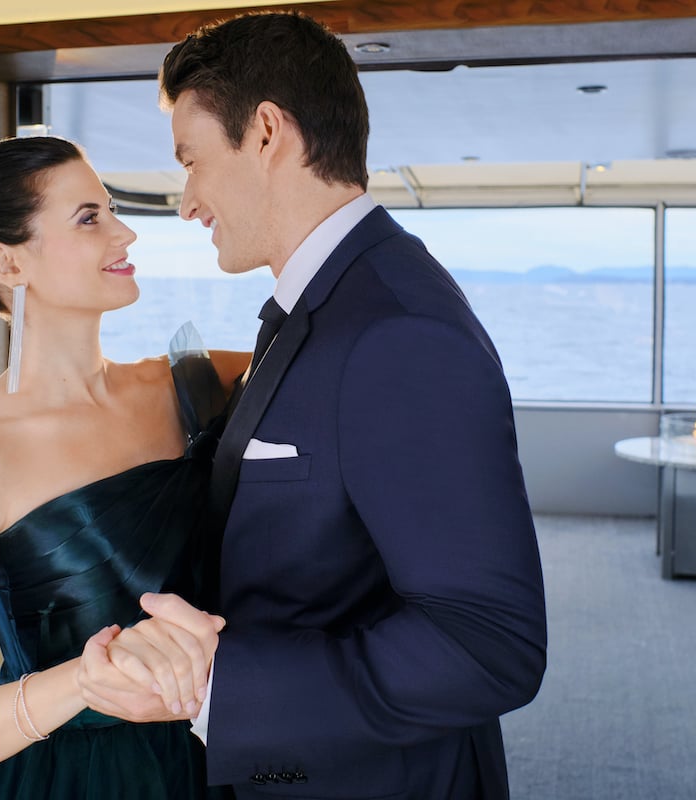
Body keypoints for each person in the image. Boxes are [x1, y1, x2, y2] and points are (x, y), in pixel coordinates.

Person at [77, 11, 548, 799]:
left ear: (266, 132)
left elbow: (488, 645)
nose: (188, 202)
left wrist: (221, 689)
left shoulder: (398, 332)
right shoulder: (328, 303)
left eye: (192, 161)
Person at [0, 135, 248, 799]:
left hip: (225, 747)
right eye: (89, 218)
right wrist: (82, 682)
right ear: (8, 262)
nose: (125, 232)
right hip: (71, 777)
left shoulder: (193, 383)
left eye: (111, 210)